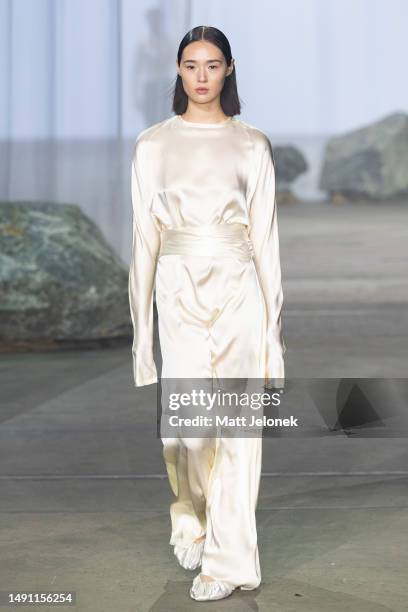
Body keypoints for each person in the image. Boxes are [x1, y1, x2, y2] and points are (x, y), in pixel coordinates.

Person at [128, 25, 286, 602]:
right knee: (191, 432)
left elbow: (266, 241)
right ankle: (189, 513)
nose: (201, 76)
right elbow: (144, 241)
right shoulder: (151, 146)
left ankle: (230, 562)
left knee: (239, 431)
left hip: (240, 288)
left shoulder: (252, 145)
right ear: (177, 70)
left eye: (212, 65)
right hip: (177, 290)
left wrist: (274, 329)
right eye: (191, 65)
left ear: (229, 69)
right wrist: (142, 334)